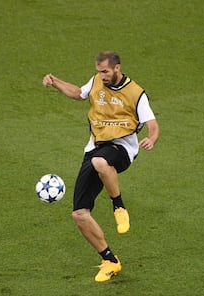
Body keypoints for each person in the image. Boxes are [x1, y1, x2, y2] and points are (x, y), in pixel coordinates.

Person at [42, 51, 160, 282]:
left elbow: (153, 124)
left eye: (105, 71)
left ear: (117, 68)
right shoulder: (97, 81)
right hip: (95, 146)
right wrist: (55, 81)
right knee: (79, 214)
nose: (101, 76)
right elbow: (78, 93)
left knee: (100, 161)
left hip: (122, 149)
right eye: (99, 71)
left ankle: (119, 207)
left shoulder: (135, 93)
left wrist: (152, 139)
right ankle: (110, 260)